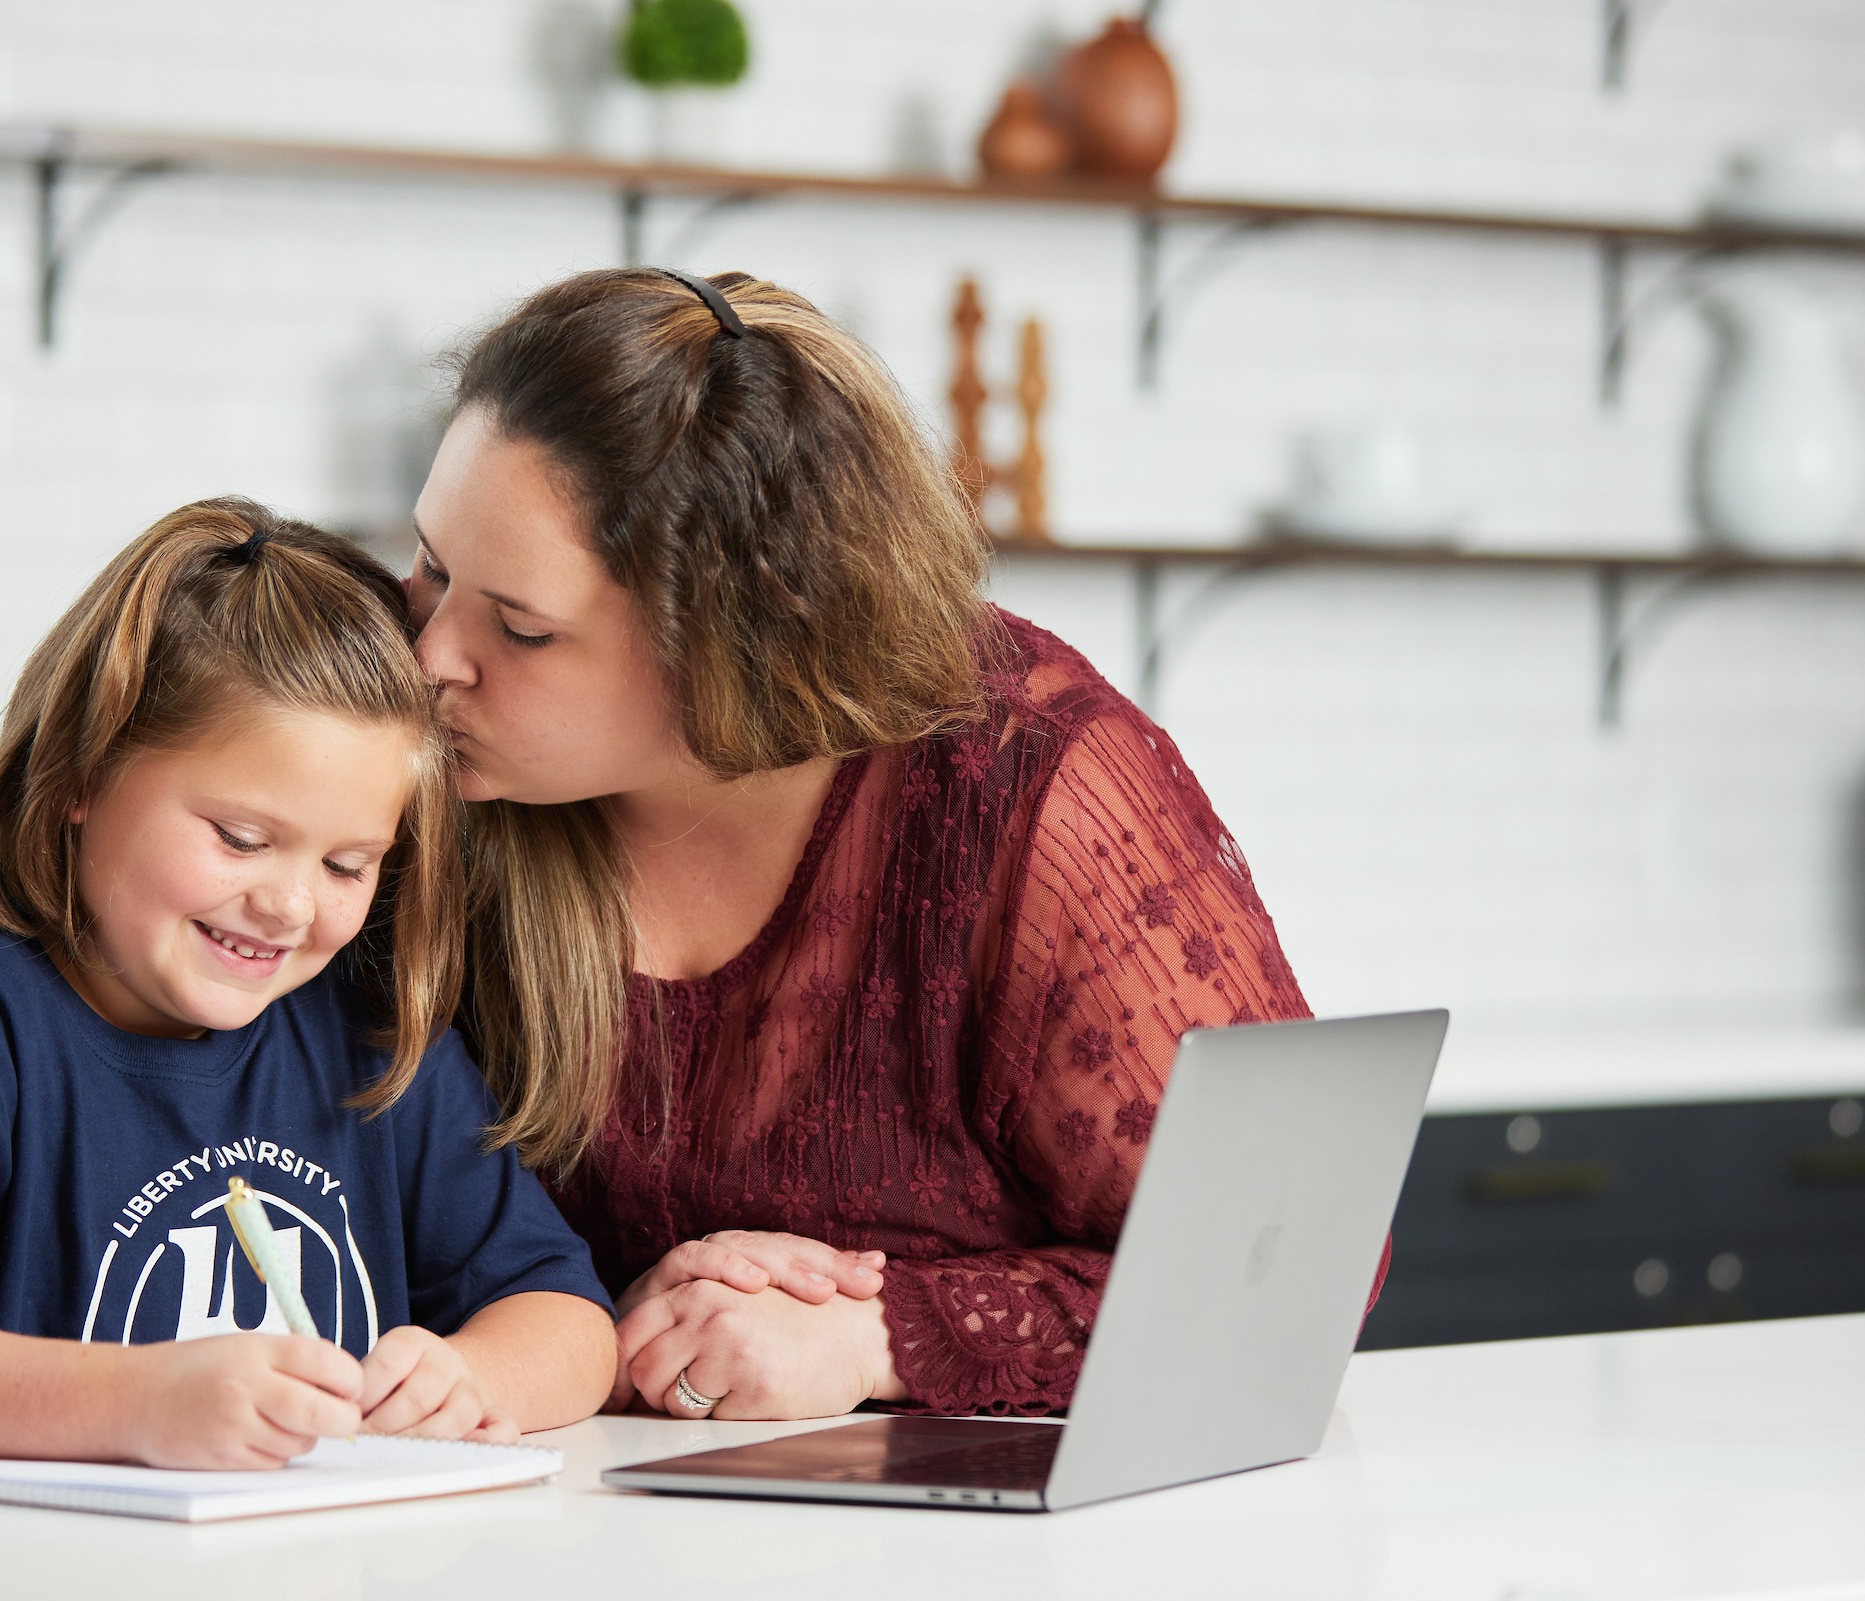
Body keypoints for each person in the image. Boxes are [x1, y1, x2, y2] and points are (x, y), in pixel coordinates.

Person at [409, 268, 1352, 1422]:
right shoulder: (410, 771)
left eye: (520, 628)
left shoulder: (1027, 785)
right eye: (431, 565)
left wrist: (883, 1334)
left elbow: (1292, 1258)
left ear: (733, 639)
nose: (429, 656)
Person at [0, 498, 615, 1468]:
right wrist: (143, 1400)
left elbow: (569, 1319)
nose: (290, 903)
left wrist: (472, 1375)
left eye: (347, 864)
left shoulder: (368, 1038)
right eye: (240, 838)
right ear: (82, 774)